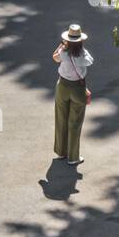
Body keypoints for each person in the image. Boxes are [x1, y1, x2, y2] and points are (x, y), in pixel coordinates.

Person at [52, 24, 93, 165]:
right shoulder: (83, 54)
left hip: (62, 85)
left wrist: (61, 46)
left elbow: (55, 57)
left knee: (61, 118)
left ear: (67, 40)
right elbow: (90, 61)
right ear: (80, 41)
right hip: (78, 88)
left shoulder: (63, 52)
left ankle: (61, 152)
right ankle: (73, 156)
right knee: (75, 122)